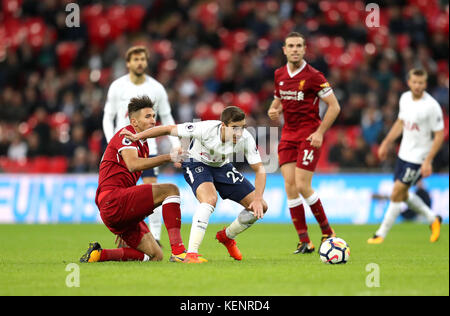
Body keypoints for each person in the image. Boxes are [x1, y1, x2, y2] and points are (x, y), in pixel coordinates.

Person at [121, 106, 268, 263]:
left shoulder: (245, 138)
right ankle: (191, 254)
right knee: (209, 199)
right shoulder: (205, 128)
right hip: (196, 163)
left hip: (222, 167)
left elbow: (260, 169)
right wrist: (138, 136)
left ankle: (227, 236)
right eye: (235, 128)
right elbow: (167, 129)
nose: (239, 133)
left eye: (242, 127)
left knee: (261, 206)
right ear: (223, 125)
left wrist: (258, 198)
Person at [80, 96, 188, 263]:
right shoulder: (126, 136)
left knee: (156, 255)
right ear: (134, 122)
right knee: (171, 190)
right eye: (147, 117)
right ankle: (179, 252)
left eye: (153, 116)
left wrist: (127, 219)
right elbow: (133, 165)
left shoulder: (143, 144)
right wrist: (168, 157)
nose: (153, 120)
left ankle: (99, 255)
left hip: (116, 206)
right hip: (114, 200)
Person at [267, 32, 341, 254]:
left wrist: (320, 132)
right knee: (289, 186)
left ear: (304, 49)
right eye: (291, 46)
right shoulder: (279, 74)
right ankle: (304, 241)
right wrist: (273, 109)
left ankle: (328, 232)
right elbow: (279, 98)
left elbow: (334, 106)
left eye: (299, 45)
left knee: (302, 185)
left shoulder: (314, 76)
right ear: (284, 49)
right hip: (288, 135)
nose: (295, 49)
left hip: (309, 135)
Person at [102, 46, 180, 247]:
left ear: (146, 62)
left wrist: (176, 145)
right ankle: (130, 234)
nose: (139, 63)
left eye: (142, 59)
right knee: (131, 189)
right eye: (135, 59)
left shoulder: (157, 88)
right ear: (128, 63)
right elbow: (108, 117)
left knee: (150, 189)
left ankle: (155, 236)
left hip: (148, 145)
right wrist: (112, 141)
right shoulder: (117, 86)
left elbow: (167, 117)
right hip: (124, 145)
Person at [367, 69, 444, 244]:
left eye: (421, 83)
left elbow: (439, 135)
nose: (418, 86)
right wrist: (386, 142)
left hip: (418, 157)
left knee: (396, 192)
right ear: (409, 82)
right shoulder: (404, 98)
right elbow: (401, 123)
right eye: (415, 82)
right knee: (402, 193)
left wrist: (428, 160)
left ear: (425, 84)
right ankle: (433, 220)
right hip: (403, 154)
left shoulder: (431, 106)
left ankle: (381, 234)